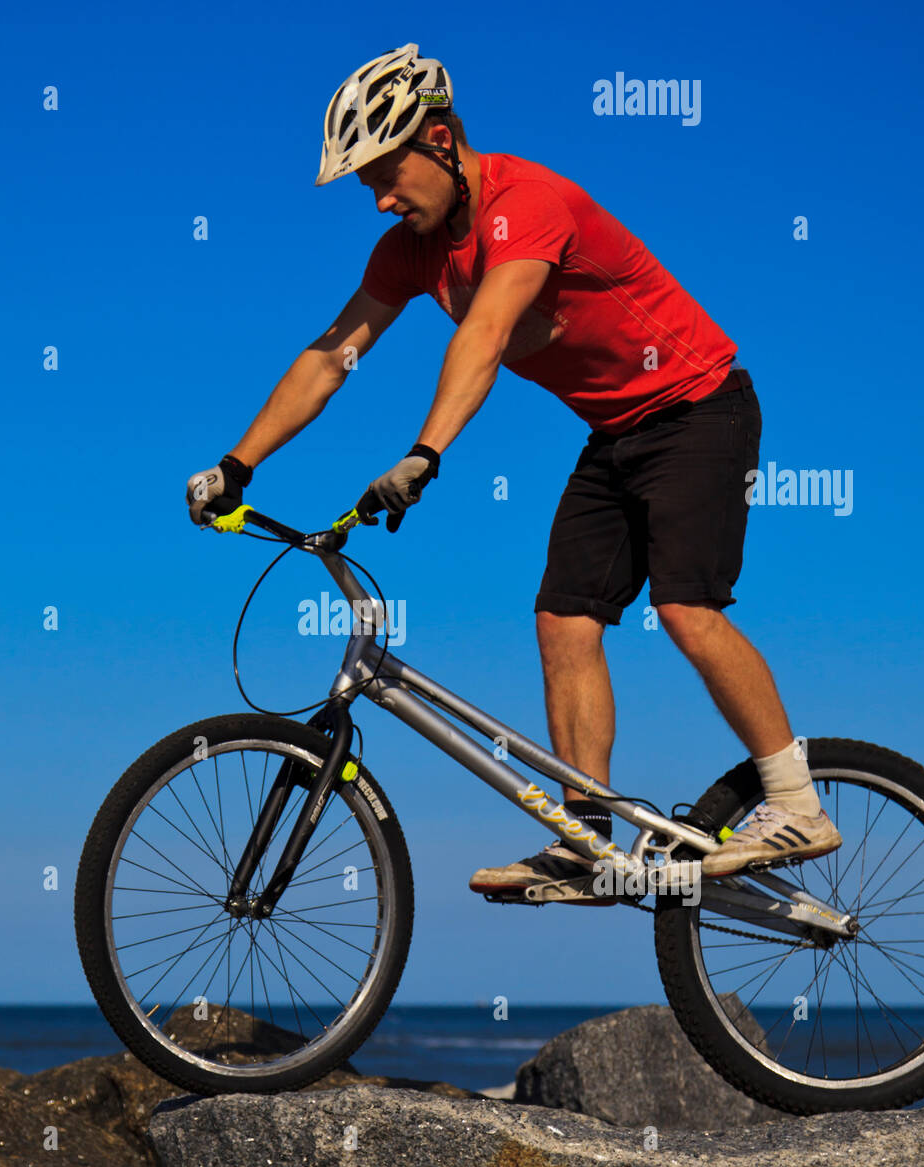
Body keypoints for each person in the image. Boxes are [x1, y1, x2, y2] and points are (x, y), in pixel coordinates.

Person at [185, 43, 841, 903]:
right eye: (367, 187)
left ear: (441, 138)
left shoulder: (528, 203)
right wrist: (238, 464)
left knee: (685, 606)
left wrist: (425, 453)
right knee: (563, 620)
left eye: (388, 175)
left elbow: (486, 333)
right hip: (615, 432)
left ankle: (795, 801)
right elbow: (332, 356)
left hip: (699, 409)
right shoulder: (408, 253)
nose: (381, 200)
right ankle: (585, 840)